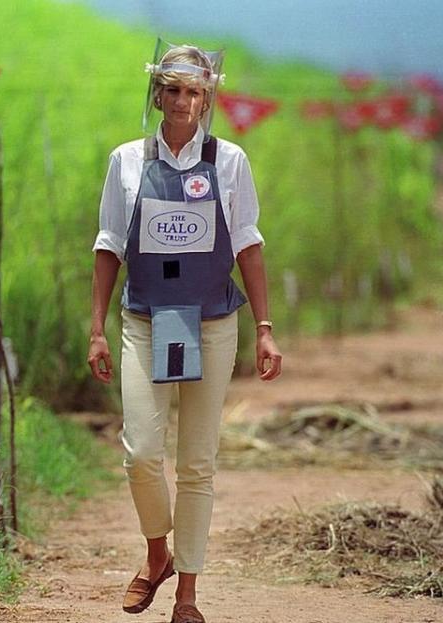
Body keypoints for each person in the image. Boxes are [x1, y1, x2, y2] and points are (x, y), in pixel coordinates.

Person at [87, 42, 282, 623]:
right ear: (157, 94)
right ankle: (156, 554)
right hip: (144, 321)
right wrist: (96, 327)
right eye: (171, 90)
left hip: (213, 321)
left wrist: (265, 328)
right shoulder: (125, 160)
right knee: (142, 452)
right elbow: (108, 246)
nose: (182, 101)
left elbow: (248, 244)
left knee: (197, 462)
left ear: (207, 98)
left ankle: (188, 596)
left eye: (193, 91)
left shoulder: (230, 162)